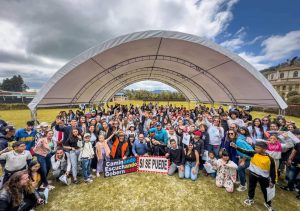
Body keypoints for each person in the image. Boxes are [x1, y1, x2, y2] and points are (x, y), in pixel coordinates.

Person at [230, 141, 276, 211]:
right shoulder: (254, 153)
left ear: (264, 149)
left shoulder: (270, 159)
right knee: (251, 187)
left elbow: (273, 171)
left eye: (258, 148)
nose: (256, 149)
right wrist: (236, 147)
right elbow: (245, 151)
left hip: (263, 178)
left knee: (265, 191)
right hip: (252, 175)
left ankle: (268, 203)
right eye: (255, 147)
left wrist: (273, 181)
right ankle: (250, 198)